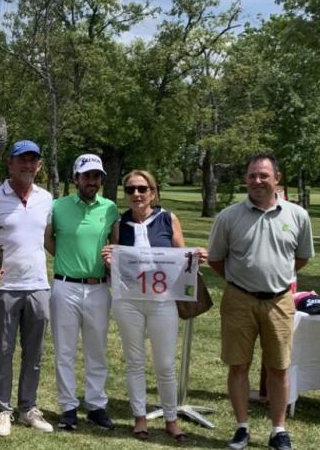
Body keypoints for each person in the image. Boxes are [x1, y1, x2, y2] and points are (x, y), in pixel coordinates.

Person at [207, 153, 313, 450]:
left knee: (279, 368)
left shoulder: (297, 215)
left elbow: (301, 258)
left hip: (280, 301)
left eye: (263, 175)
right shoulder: (229, 216)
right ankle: (242, 428)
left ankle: (278, 429)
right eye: (252, 175)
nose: (257, 181)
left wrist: (273, 279)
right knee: (238, 365)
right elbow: (216, 260)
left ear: (276, 179)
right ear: (245, 179)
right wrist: (242, 281)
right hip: (239, 300)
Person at [102, 169, 200, 441]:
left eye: (142, 189)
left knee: (165, 364)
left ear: (153, 193)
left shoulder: (168, 219)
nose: (136, 194)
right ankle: (140, 417)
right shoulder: (120, 224)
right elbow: (115, 265)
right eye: (131, 189)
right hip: (129, 302)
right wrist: (109, 260)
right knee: (134, 361)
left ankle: (171, 419)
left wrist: (195, 257)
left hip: (162, 301)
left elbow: (182, 257)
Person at [0, 140, 55, 437]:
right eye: (22, 160)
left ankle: (28, 408)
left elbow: (47, 239)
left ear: (39, 166)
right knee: (4, 351)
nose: (28, 165)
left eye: (33, 160)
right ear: (10, 163)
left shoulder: (47, 199)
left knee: (34, 352)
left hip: (38, 285)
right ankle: (2, 410)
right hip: (5, 286)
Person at [45, 153, 118, 431]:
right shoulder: (58, 206)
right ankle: (68, 407)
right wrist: (68, 260)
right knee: (64, 349)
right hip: (65, 287)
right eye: (86, 176)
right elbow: (48, 241)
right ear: (75, 178)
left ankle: (96, 405)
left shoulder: (109, 208)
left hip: (98, 287)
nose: (92, 181)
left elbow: (115, 244)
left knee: (96, 349)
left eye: (96, 176)